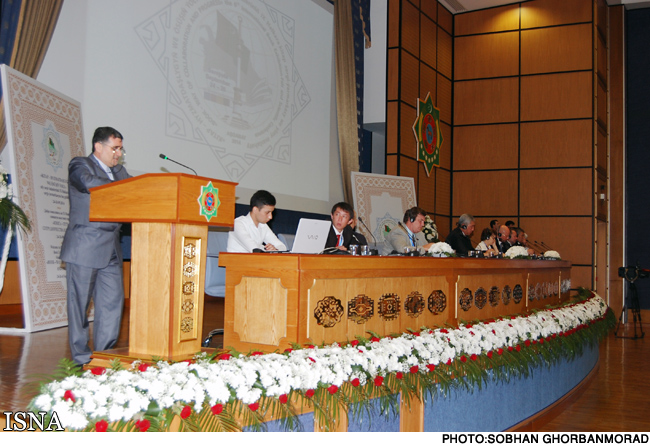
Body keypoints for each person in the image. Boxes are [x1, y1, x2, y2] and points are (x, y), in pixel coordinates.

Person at [60, 126, 131, 366]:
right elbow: (87, 182)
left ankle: (104, 358)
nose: (118, 154)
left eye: (121, 149)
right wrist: (121, 189)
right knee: (78, 306)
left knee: (112, 305)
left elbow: (137, 192)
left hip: (112, 249)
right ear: (98, 146)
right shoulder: (80, 165)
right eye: (115, 148)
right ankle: (81, 358)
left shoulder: (119, 171)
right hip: (85, 247)